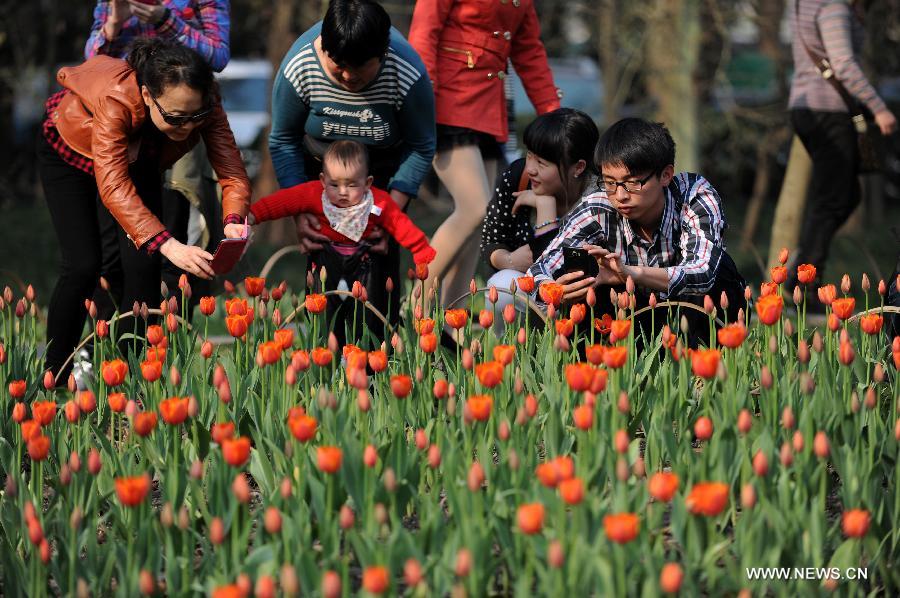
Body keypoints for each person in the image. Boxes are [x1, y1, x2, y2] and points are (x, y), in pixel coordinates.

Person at [37, 38, 250, 379]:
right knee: (83, 265)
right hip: (71, 154)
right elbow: (113, 186)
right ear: (148, 96)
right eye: (178, 117)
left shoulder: (205, 103)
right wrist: (168, 244)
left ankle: (132, 377)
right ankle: (54, 376)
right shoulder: (117, 99)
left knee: (143, 266)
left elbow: (231, 170)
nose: (189, 127)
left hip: (140, 157)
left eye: (197, 117)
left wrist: (234, 221)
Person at [269, 0, 435, 328]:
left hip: (380, 175)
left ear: (382, 54)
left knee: (376, 270)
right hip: (322, 174)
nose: (348, 75)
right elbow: (283, 141)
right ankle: (326, 359)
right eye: (338, 65)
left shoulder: (406, 72)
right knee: (325, 274)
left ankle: (377, 359)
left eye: (359, 67)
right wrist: (301, 211)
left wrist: (389, 216)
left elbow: (421, 146)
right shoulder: (301, 65)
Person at [528, 118, 745, 343]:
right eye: (610, 182)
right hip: (633, 319)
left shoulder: (693, 195)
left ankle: (709, 364)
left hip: (697, 315)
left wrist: (629, 273)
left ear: (665, 175)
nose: (620, 196)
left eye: (632, 183)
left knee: (721, 271)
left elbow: (703, 272)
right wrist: (554, 289)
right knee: (584, 279)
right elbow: (538, 270)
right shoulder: (598, 206)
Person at [408, 0, 561, 315]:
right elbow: (425, 32)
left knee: (479, 220)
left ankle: (452, 318)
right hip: (447, 102)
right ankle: (416, 305)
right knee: (474, 207)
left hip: (488, 110)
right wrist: (423, 99)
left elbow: (529, 50)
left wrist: (554, 116)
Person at [85, 0, 231, 318]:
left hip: (179, 118)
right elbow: (92, 64)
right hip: (129, 123)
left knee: (173, 230)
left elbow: (218, 57)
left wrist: (167, 20)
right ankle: (110, 344)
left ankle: (168, 330)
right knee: (111, 249)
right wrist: (113, 24)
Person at [249, 141, 436, 346]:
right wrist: (254, 215)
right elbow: (283, 202)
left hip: (364, 262)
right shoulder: (313, 194)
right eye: (334, 184)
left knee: (369, 311)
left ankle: (367, 354)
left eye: (352, 184)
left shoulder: (377, 203)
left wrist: (420, 249)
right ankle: (326, 353)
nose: (343, 191)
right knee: (324, 312)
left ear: (367, 182)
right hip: (326, 259)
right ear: (322, 180)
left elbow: (399, 224)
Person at [787, 0, 897, 289]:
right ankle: (803, 282)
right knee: (834, 199)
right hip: (828, 111)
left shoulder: (806, 4)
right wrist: (879, 108)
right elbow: (844, 64)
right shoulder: (833, 6)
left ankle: (802, 263)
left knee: (844, 194)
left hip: (807, 108)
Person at [480, 108, 599, 333]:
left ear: (579, 167)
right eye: (529, 155)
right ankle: (511, 360)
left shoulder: (600, 198)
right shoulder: (517, 177)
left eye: (542, 163)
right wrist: (508, 260)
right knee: (504, 285)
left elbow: (555, 267)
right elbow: (490, 241)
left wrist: (544, 208)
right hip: (527, 299)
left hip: (583, 300)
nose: (530, 169)